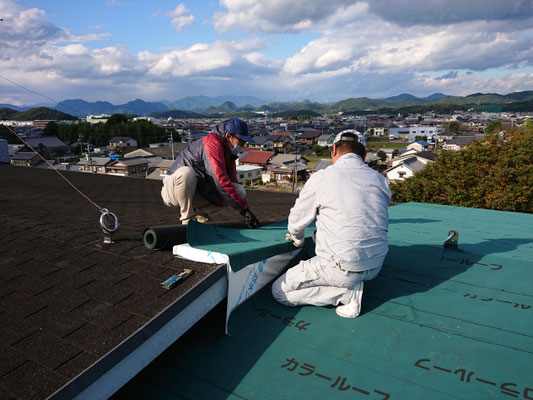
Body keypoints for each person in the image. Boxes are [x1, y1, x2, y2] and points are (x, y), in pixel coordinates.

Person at [271, 130, 391, 318]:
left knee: (280, 292)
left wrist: (297, 239)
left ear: (334, 149)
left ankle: (347, 294)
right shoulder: (380, 180)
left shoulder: (322, 177)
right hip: (376, 265)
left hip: (341, 267)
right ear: (364, 154)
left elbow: (296, 222)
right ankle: (350, 284)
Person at [161, 118, 260, 229]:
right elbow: (220, 180)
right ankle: (187, 218)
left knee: (239, 191)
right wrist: (244, 210)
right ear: (228, 136)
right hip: (173, 191)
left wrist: (244, 207)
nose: (242, 145)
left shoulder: (229, 152)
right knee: (186, 173)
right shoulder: (212, 144)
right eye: (241, 141)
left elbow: (231, 182)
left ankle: (200, 214)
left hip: (197, 191)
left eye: (244, 142)